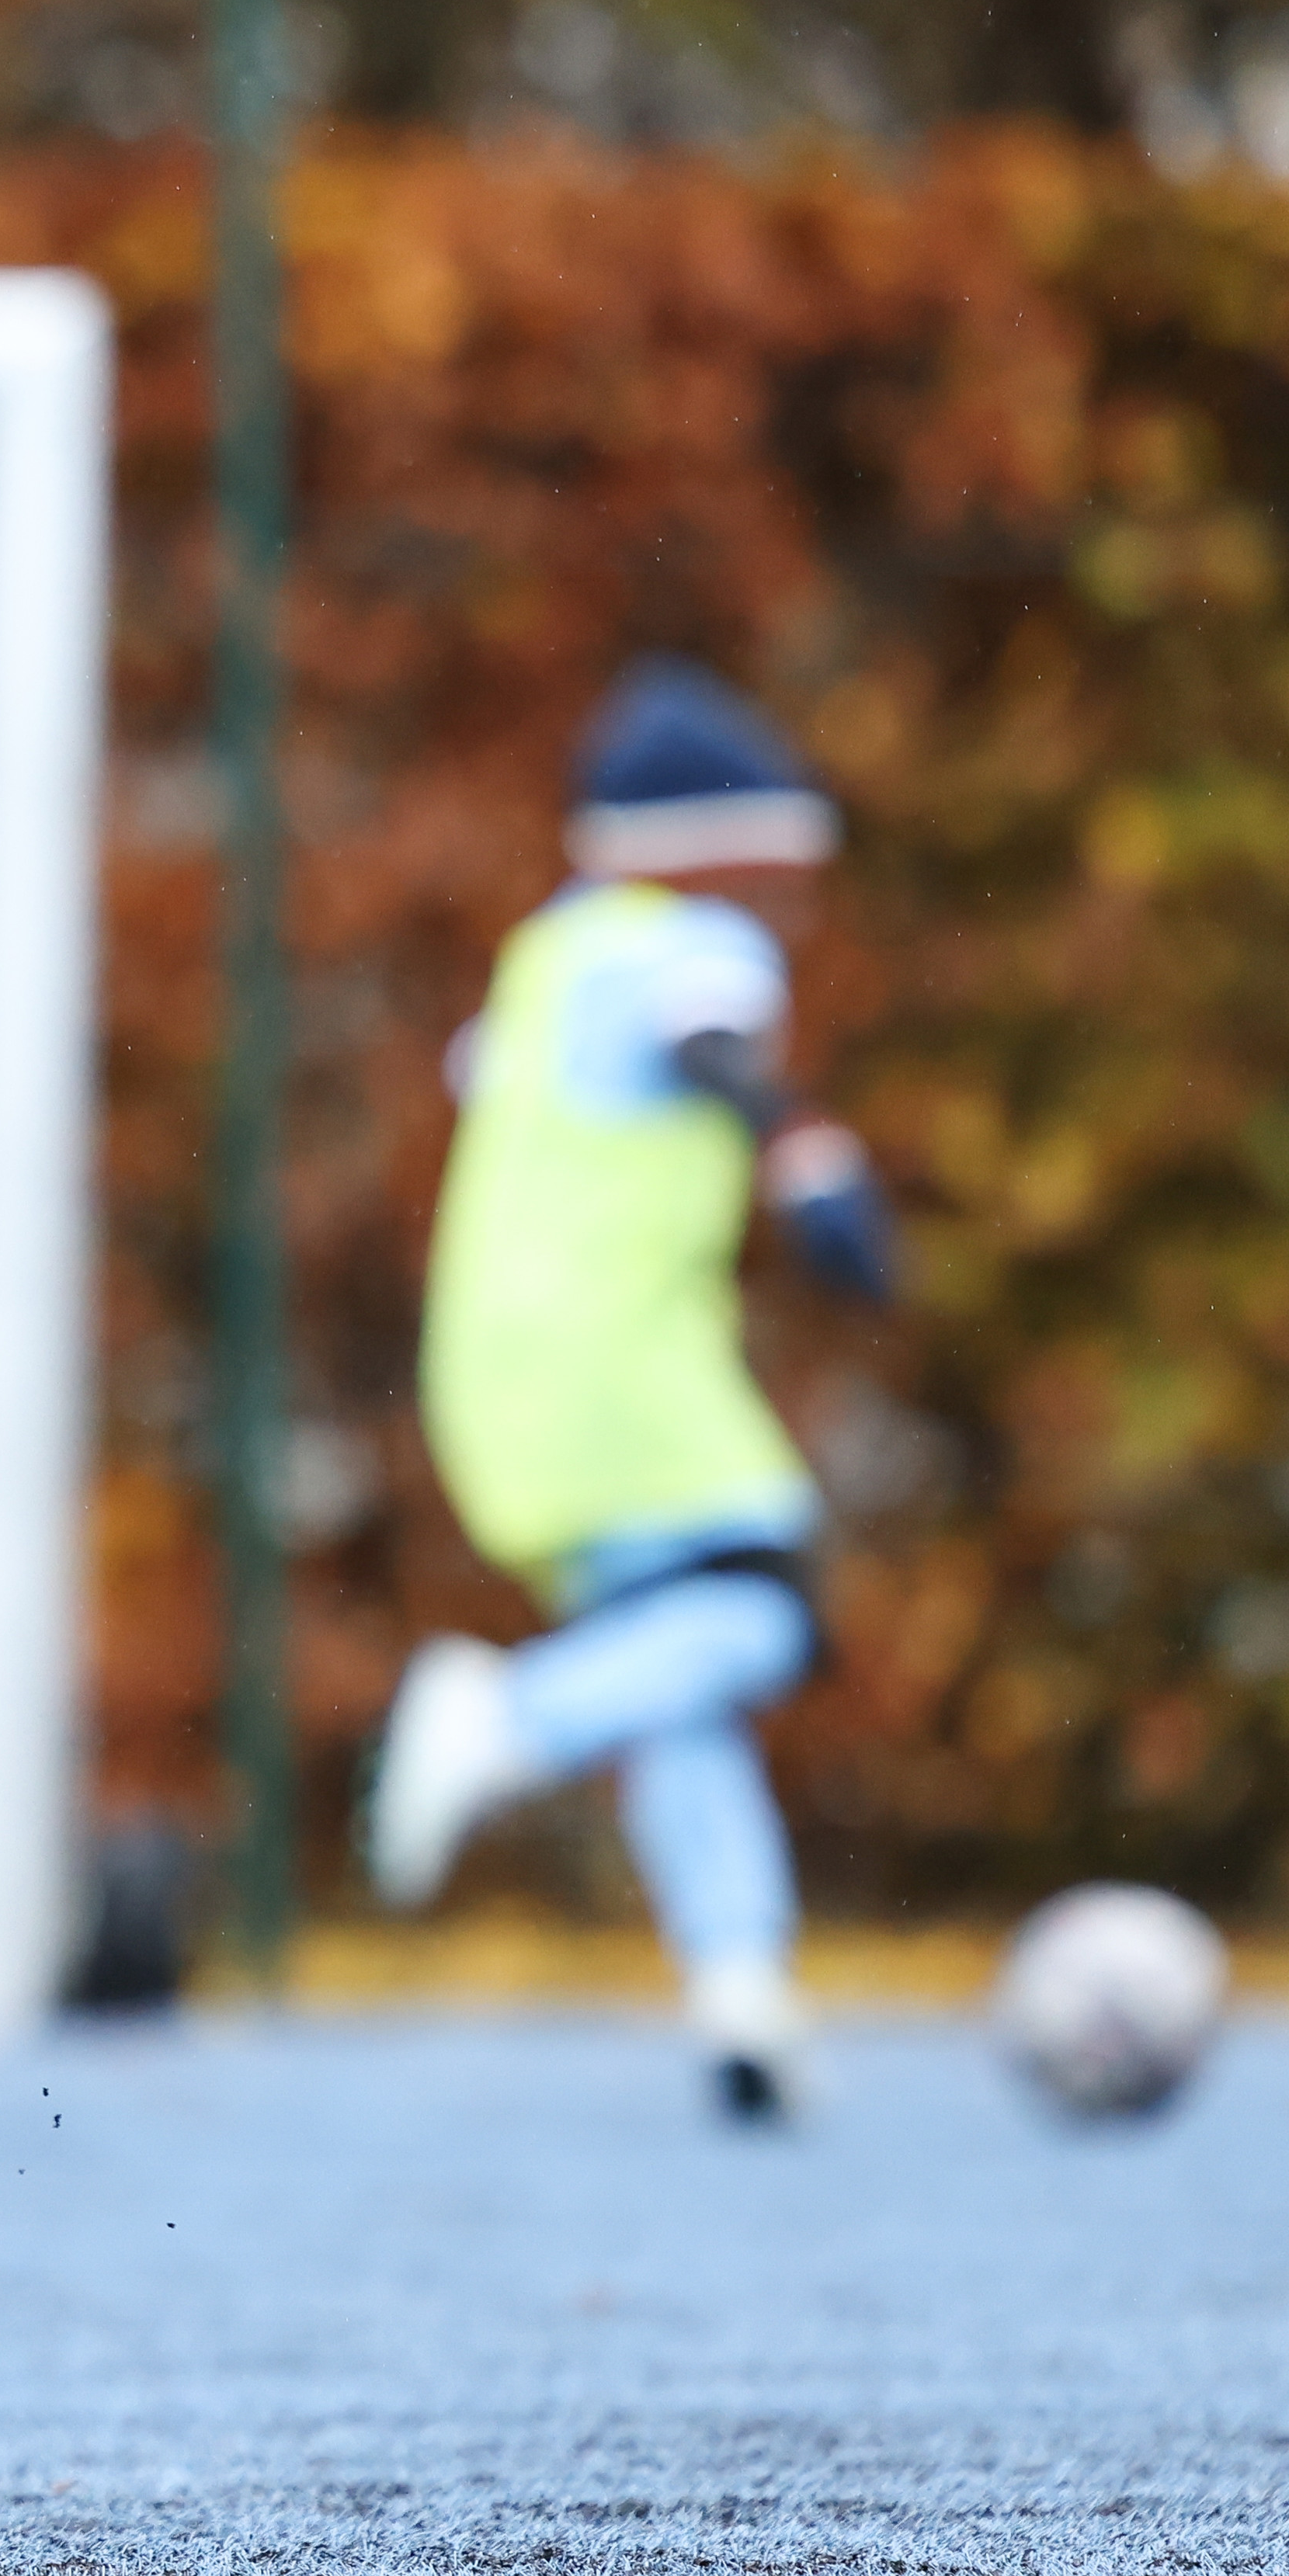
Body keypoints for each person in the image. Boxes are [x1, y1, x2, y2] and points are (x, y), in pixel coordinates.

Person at [367, 658, 895, 2121]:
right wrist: (805, 1154)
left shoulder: (546, 958)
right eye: (779, 871)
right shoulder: (691, 944)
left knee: (678, 1684)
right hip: (617, 1362)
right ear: (712, 852)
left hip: (502, 1373)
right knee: (766, 1611)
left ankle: (743, 1995)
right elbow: (705, 1038)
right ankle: (506, 1717)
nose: (791, 908)